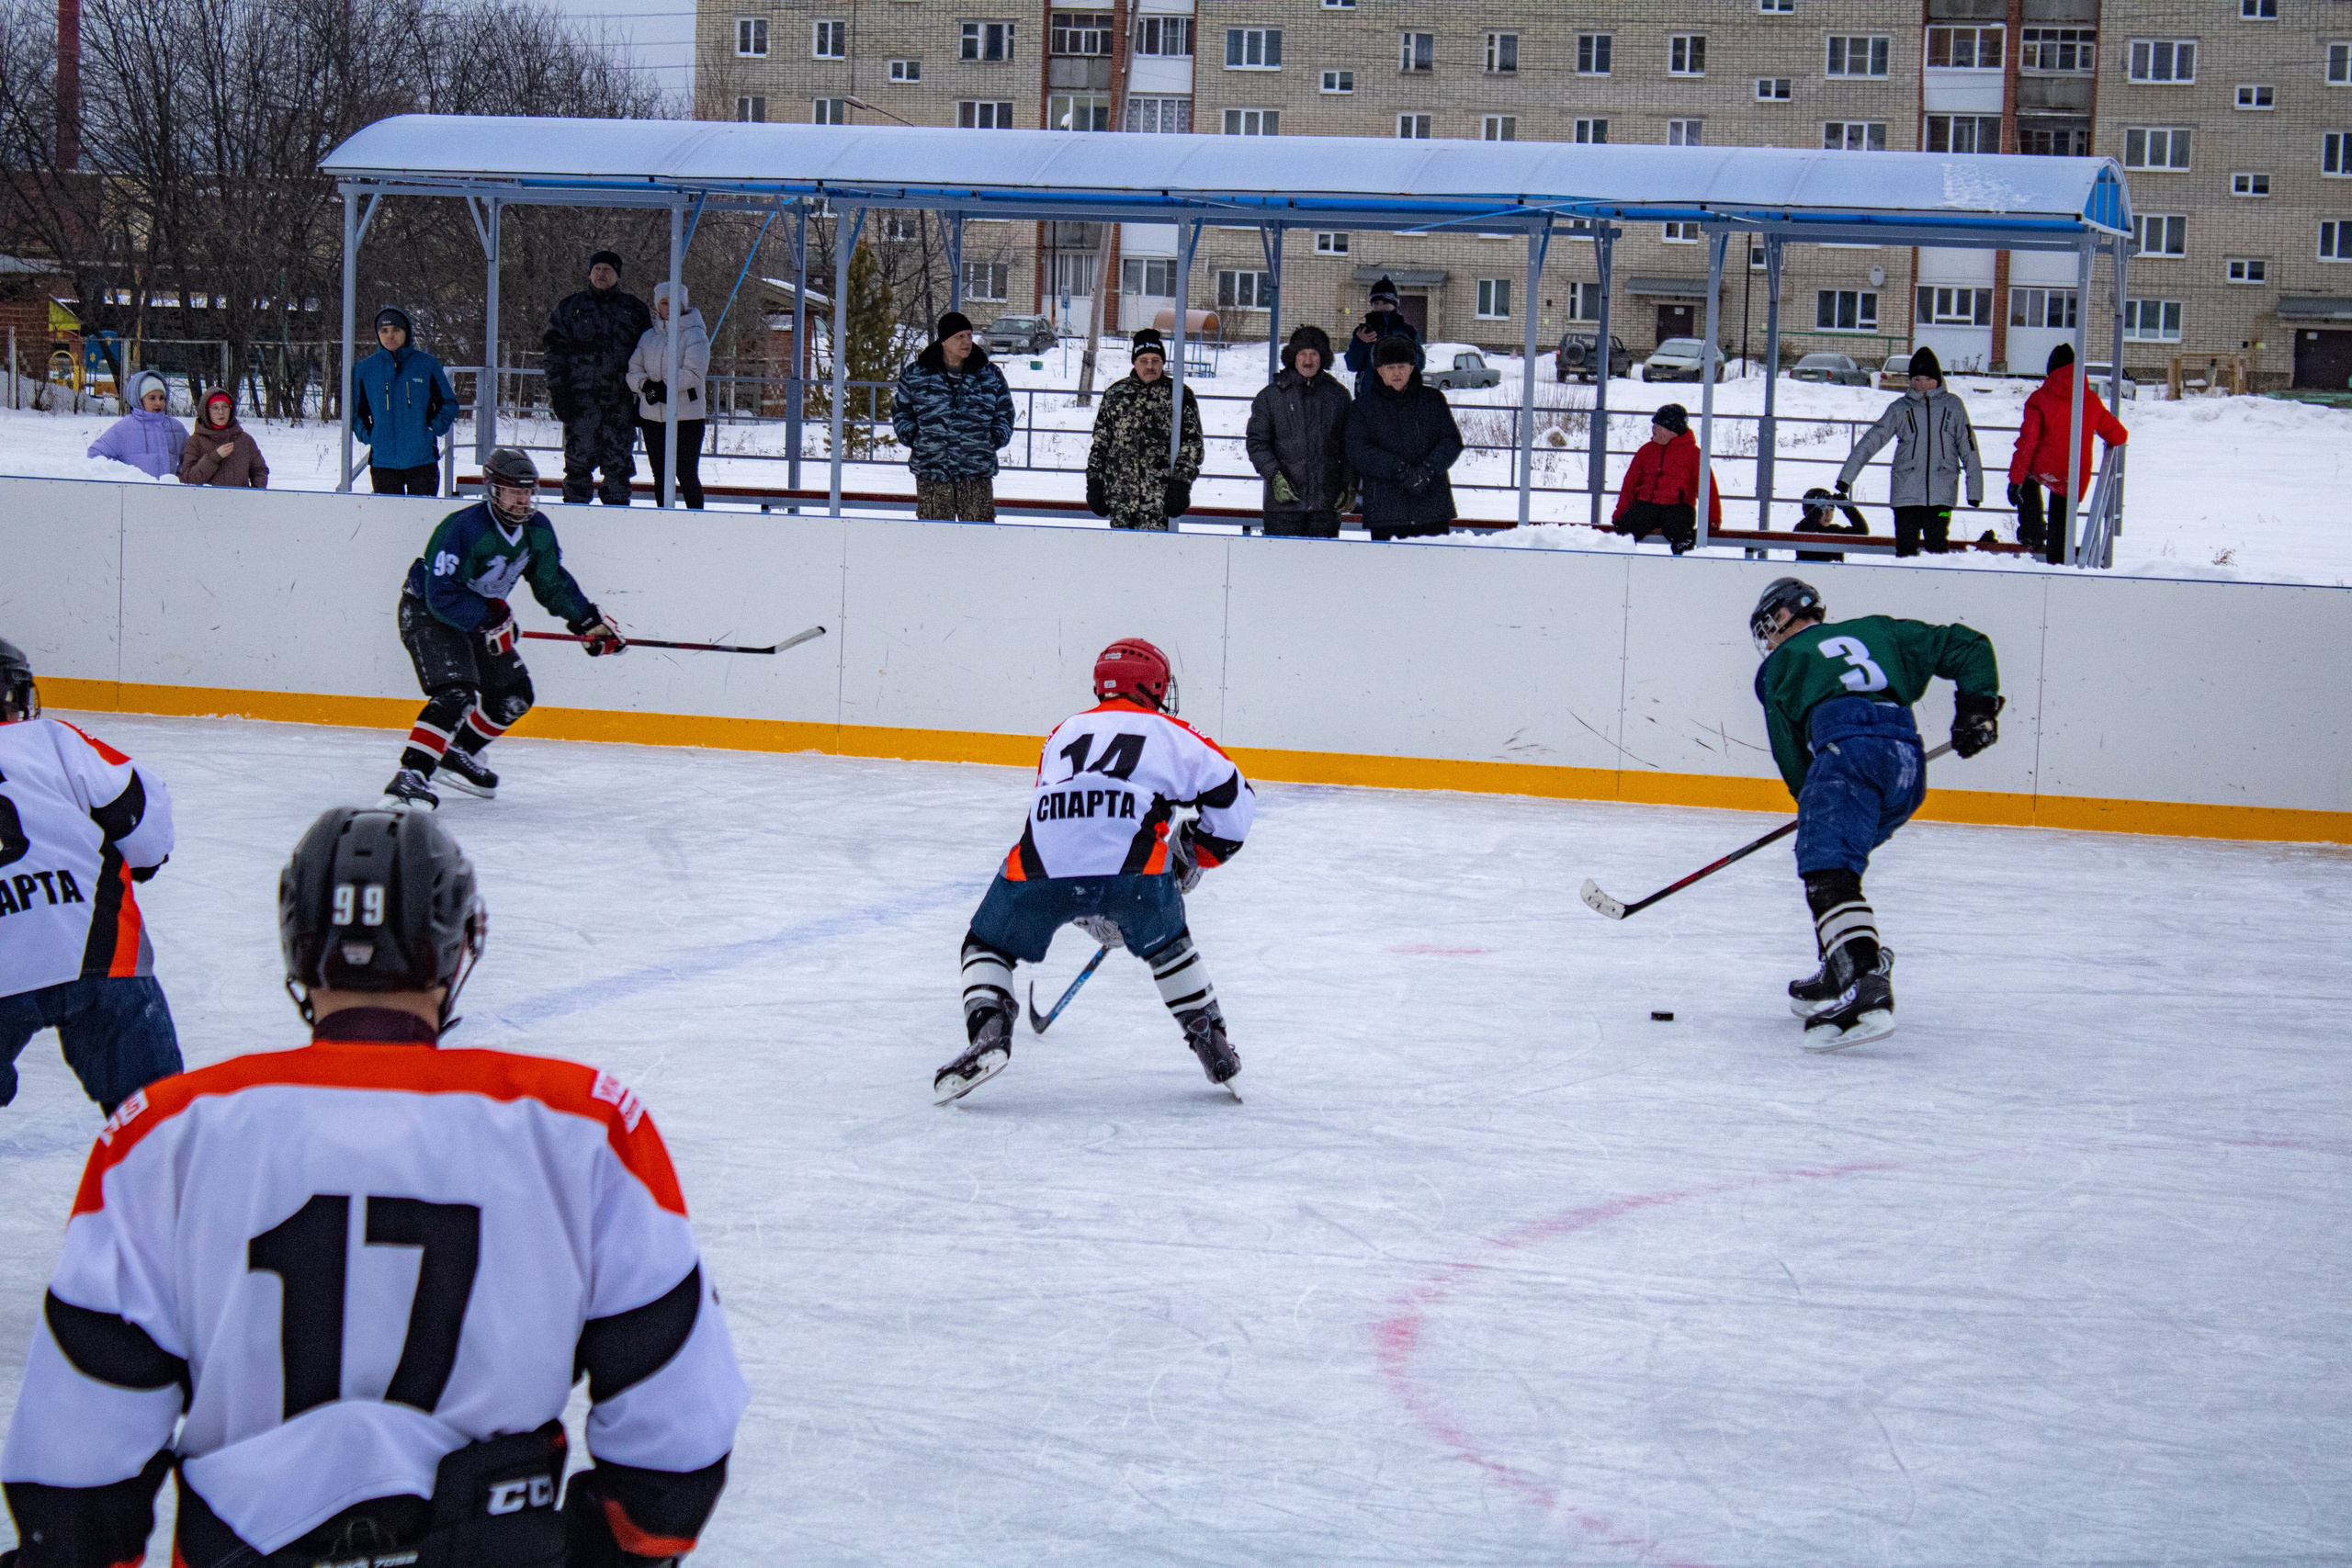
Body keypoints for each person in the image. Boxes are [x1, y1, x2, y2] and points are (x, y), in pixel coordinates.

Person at [0, 807, 746, 1568]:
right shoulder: (582, 1128)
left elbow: (78, 1453)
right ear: (458, 948)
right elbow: (678, 1427)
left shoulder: (162, 1134)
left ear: (298, 946)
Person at [935, 637, 1255, 1104]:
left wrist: (1085, 905)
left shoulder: (1062, 732)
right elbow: (1234, 807)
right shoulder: (1174, 733)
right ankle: (1212, 1041)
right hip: (1136, 877)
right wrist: (1193, 856)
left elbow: (1067, 821)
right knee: (1169, 945)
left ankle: (989, 1031)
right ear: (1154, 685)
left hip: (1039, 869)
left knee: (986, 945)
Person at [1748, 577, 2003, 1052]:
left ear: (1784, 615)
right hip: (1907, 764)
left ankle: (1864, 984)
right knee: (1838, 867)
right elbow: (1967, 645)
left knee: (1826, 866)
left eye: (1769, 627)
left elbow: (1790, 754)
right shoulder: (1879, 630)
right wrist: (1977, 710)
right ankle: (1839, 963)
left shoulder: (1780, 665)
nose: (1770, 640)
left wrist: (1814, 808)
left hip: (1848, 755)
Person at [382, 446, 627, 810]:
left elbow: (551, 583)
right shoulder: (462, 528)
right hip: (428, 612)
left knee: (514, 697)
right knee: (456, 693)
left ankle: (459, 752)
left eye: (528, 491)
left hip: (480, 618)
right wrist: (489, 617)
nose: (522, 500)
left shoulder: (538, 531)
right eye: (514, 491)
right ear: (493, 489)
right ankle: (410, 777)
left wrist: (587, 623)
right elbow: (441, 593)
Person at [0, 638, 181, 1119]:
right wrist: (142, 863)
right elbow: (145, 821)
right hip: (100, 956)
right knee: (158, 1124)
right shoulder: (56, 741)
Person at [1834, 345, 1984, 558]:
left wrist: (1974, 490)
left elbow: (1969, 448)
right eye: (1916, 379)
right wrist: (1846, 478)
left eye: (1926, 379)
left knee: (1938, 546)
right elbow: (1871, 442)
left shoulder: (1954, 406)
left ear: (1937, 379)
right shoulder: (1899, 408)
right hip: (1905, 495)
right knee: (1905, 547)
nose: (1921, 385)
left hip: (1942, 498)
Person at [543, 249, 652, 506]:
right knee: (578, 470)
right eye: (597, 269)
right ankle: (576, 523)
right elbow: (553, 353)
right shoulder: (570, 308)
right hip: (581, 405)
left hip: (620, 406)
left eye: (608, 270)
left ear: (618, 275)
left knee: (618, 472)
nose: (601, 274)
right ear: (590, 273)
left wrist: (644, 397)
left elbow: (650, 353)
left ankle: (615, 528)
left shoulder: (634, 309)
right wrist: (558, 393)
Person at [2008, 343, 2130, 566]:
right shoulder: (2091, 402)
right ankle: (2058, 565)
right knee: (2061, 527)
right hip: (2074, 473)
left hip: (2042, 468)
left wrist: (2014, 481)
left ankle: (2033, 533)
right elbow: (2119, 436)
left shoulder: (2039, 399)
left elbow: (2027, 443)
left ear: (2051, 369)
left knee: (2026, 481)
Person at [892, 310, 1016, 521]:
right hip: (933, 472)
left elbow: (1005, 413)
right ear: (944, 341)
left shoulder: (989, 375)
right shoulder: (917, 374)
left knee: (977, 541)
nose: (967, 341)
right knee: (935, 541)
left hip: (976, 472)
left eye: (969, 335)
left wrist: (992, 440)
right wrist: (916, 439)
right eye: (960, 336)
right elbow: (901, 412)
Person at [1343, 337, 1463, 542]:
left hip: (1431, 507)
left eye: (1401, 366)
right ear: (1379, 371)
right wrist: (1397, 469)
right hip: (1386, 513)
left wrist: (1428, 469)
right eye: (1390, 367)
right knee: (1388, 572)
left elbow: (1451, 441)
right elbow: (1357, 450)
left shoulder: (1433, 400)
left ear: (1412, 368)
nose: (1396, 372)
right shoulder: (1363, 407)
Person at [1084, 329, 1204, 532]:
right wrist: (1094, 483)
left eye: (1155, 360)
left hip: (1160, 502)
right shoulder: (1115, 395)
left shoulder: (1179, 395)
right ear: (1134, 362)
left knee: (1156, 560)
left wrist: (1181, 484)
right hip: (1121, 501)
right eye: (1144, 360)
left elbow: (1192, 444)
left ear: (1163, 362)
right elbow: (1101, 444)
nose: (1150, 366)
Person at [1245, 324, 1352, 538]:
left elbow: (1350, 445)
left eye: (1314, 354)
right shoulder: (1271, 397)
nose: (1308, 360)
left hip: (1325, 506)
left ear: (1323, 358)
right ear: (1293, 357)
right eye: (1302, 354)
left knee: (1321, 570)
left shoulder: (1338, 396)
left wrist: (1348, 484)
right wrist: (1274, 476)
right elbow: (1257, 443)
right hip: (1283, 508)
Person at [353, 305, 458, 496]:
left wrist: (432, 429)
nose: (390, 336)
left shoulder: (427, 364)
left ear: (406, 332)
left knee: (422, 519)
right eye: (384, 331)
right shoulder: (365, 369)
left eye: (396, 330)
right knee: (390, 521)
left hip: (422, 460)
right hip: (383, 461)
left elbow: (448, 402)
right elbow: (356, 411)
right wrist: (369, 435)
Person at [628, 280, 712, 510]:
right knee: (661, 474)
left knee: (685, 472)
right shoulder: (648, 337)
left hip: (687, 417)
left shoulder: (695, 335)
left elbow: (694, 372)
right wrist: (645, 386)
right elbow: (633, 369)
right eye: (664, 302)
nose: (668, 307)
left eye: (674, 302)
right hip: (652, 417)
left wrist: (665, 387)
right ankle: (664, 517)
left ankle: (695, 517)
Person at [1611, 403, 1724, 554]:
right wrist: (1621, 512)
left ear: (1673, 431)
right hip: (1646, 505)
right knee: (1624, 531)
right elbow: (1630, 485)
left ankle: (1681, 567)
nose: (1653, 428)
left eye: (1658, 425)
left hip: (1678, 507)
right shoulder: (1646, 451)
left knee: (1681, 534)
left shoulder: (1694, 454)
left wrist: (1713, 517)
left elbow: (1707, 488)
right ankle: (1620, 566)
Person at [84, 371, 185, 479]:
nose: (158, 403)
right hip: (134, 493)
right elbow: (96, 454)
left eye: (162, 398)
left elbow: (191, 458)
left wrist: (180, 478)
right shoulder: (124, 428)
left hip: (169, 493)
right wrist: (124, 476)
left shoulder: (175, 427)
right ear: (139, 400)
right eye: (152, 398)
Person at [1340, 276, 1424, 398]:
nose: (1380, 307)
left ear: (1394, 304)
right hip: (1369, 396)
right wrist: (1359, 344)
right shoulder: (1363, 331)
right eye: (1376, 303)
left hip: (1401, 396)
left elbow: (1419, 364)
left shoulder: (1407, 331)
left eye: (1385, 303)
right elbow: (1352, 365)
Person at [176, 388, 268, 489]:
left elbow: (260, 470)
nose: (221, 412)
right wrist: (214, 457)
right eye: (215, 408)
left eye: (225, 407)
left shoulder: (245, 440)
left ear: (231, 409)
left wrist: (254, 494)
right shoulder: (195, 441)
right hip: (205, 502)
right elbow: (190, 479)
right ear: (206, 411)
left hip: (241, 502)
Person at [1792, 485, 1871, 564]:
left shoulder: (1835, 530)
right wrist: (1818, 510)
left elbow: (1862, 532)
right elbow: (1804, 530)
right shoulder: (1802, 528)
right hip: (1807, 573)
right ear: (1812, 511)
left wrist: (1849, 509)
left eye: (1831, 510)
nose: (1828, 514)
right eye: (1823, 509)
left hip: (1835, 574)